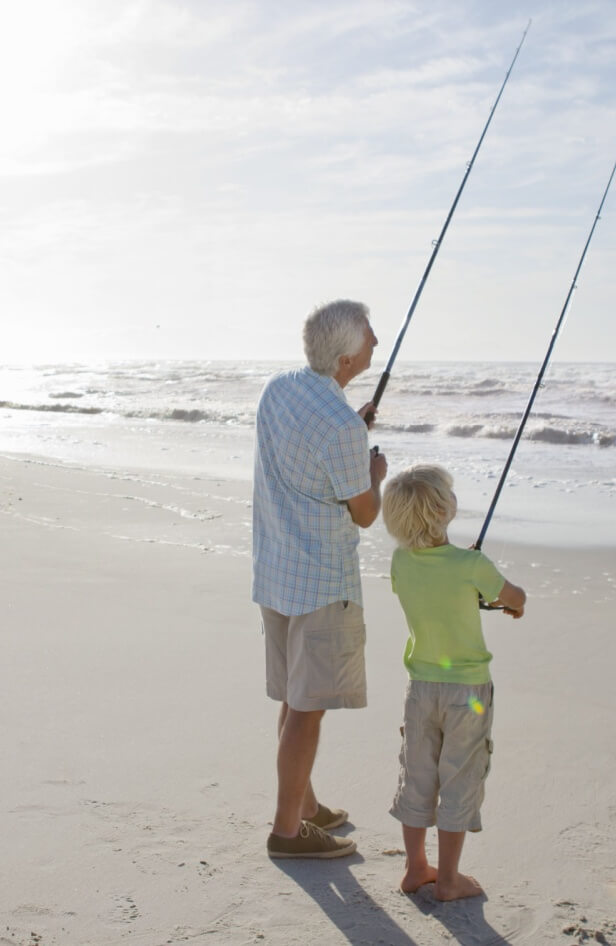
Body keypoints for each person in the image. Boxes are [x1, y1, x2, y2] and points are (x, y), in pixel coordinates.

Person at [253, 299, 388, 860]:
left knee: (293, 695)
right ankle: (288, 831)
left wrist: (350, 435)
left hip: (276, 566)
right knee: (307, 709)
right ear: (349, 354)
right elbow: (363, 512)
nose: (376, 343)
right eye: (369, 338)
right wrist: (374, 474)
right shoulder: (341, 428)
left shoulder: (280, 389)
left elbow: (310, 450)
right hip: (320, 580)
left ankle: (304, 806)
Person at [380, 463, 527, 900]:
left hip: (421, 689)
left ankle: (415, 869)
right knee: (460, 776)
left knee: (418, 775)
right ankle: (448, 879)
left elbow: (432, 582)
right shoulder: (472, 564)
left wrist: (455, 563)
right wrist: (512, 603)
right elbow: (513, 596)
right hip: (469, 694)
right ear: (446, 509)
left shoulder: (400, 561)